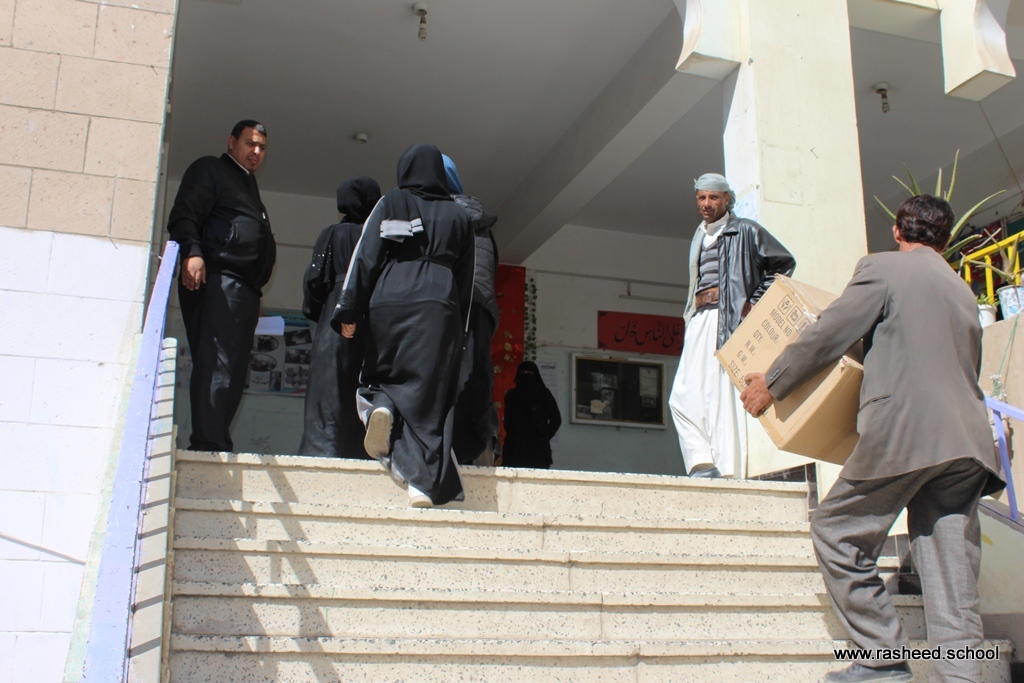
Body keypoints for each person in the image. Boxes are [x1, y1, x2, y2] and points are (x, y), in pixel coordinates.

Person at [741, 195, 1005, 683]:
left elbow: (830, 333)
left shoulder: (881, 268)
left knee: (837, 531)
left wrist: (772, 383)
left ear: (897, 231)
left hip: (906, 432)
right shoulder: (962, 290)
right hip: (967, 445)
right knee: (951, 575)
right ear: (946, 239)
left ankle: (881, 660)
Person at [332, 144, 474, 508]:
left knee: (382, 373)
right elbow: (466, 281)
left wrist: (348, 309)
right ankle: (421, 484)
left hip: (390, 299)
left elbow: (366, 256)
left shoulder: (391, 201)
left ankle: (382, 406)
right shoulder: (459, 216)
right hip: (439, 305)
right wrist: (459, 331)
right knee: (428, 395)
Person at [668, 173, 795, 478]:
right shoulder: (699, 235)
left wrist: (753, 303)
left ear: (727, 199)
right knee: (682, 395)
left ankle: (725, 470)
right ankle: (701, 461)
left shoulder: (746, 230)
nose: (707, 203)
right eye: (701, 197)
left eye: (713, 197)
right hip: (699, 318)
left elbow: (783, 263)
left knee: (720, 395)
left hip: (726, 318)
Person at [167, 120, 276, 452]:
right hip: (218, 279)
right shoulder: (211, 169)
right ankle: (207, 443)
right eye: (250, 143)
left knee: (235, 371)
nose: (256, 151)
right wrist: (192, 252)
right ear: (231, 142)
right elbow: (184, 213)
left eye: (262, 147)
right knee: (217, 363)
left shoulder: (248, 186)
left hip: (244, 289)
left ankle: (216, 439)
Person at [298, 176, 382, 458]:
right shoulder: (380, 237)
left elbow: (314, 282)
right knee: (364, 387)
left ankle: (323, 451)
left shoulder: (332, 234)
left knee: (328, 389)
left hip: (333, 323)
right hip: (372, 322)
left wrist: (319, 311)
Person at [442, 154, 502, 467]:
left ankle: (445, 451)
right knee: (476, 376)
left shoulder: (438, 216)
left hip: (449, 303)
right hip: (480, 307)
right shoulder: (483, 222)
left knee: (443, 376)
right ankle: (480, 449)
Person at [501, 361, 562, 469]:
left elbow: (556, 419)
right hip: (514, 449)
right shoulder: (512, 395)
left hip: (537, 451)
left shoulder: (543, 394)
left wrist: (543, 437)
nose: (526, 375)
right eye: (523, 373)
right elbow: (508, 422)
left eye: (529, 373)